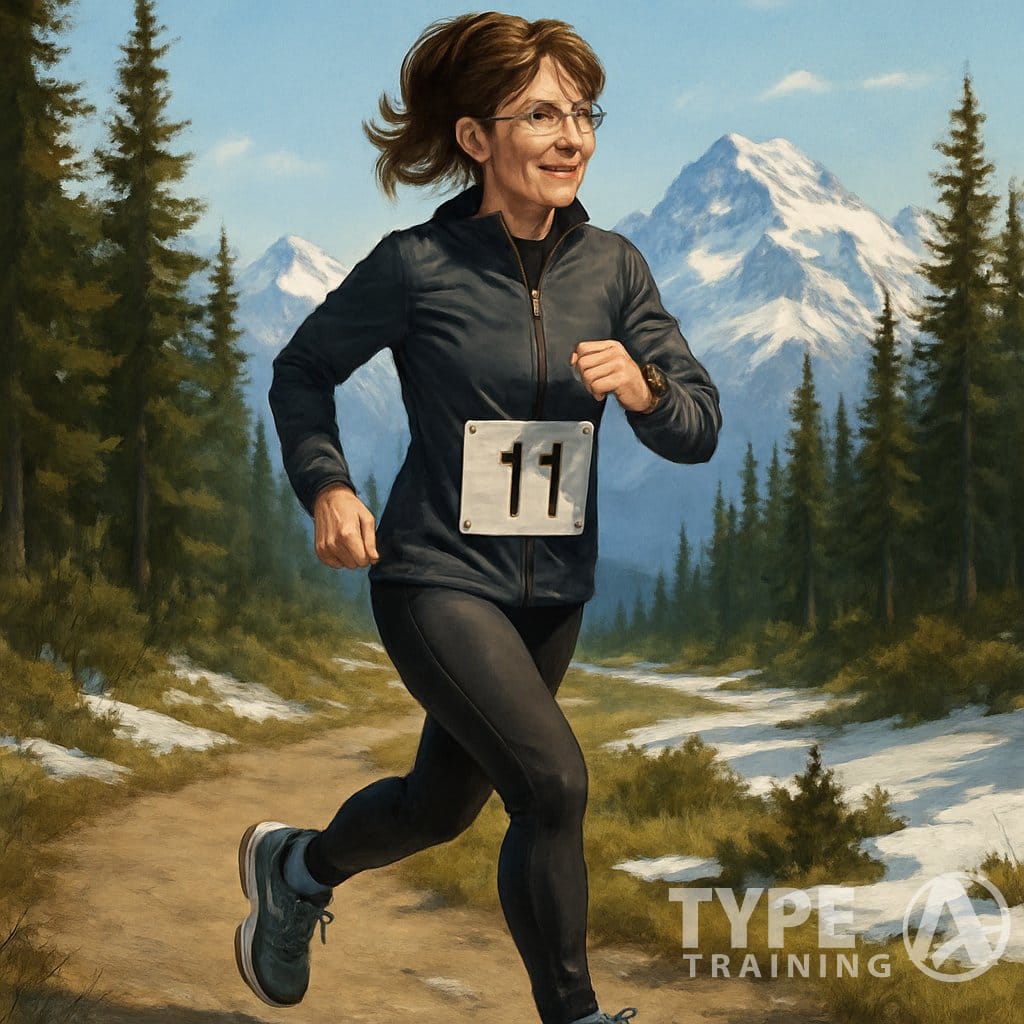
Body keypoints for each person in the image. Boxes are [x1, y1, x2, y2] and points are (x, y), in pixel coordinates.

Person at [235, 12, 721, 1024]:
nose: (571, 135)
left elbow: (698, 427)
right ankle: (576, 1017)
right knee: (551, 784)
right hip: (436, 573)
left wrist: (641, 391)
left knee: (440, 805)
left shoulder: (615, 269)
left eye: (583, 112)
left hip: (550, 593)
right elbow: (303, 372)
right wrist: (326, 484)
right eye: (540, 113)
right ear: (474, 138)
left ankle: (298, 869)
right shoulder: (417, 265)